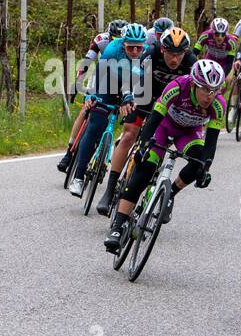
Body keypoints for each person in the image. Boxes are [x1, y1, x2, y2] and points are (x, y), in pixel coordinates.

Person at [104, 59, 226, 252]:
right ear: (194, 84)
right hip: (163, 126)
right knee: (144, 170)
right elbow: (154, 119)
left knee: (197, 163)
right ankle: (118, 227)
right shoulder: (177, 87)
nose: (209, 95)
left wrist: (205, 168)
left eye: (214, 90)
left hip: (189, 133)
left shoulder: (218, 105)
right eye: (204, 89)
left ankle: (170, 195)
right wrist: (143, 145)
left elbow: (211, 143)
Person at [96, 26, 193, 216]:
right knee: (128, 135)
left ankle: (151, 186)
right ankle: (109, 190)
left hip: (170, 103)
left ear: (185, 52)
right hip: (144, 94)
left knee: (158, 144)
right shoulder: (150, 52)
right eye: (171, 53)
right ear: (163, 49)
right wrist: (126, 96)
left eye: (179, 54)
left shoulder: (190, 62)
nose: (175, 59)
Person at [65, 24, 146, 195]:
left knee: (135, 121)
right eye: (130, 46)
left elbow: (139, 81)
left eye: (139, 47)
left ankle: (117, 144)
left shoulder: (146, 54)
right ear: (123, 43)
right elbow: (99, 74)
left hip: (131, 84)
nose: (134, 51)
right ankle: (78, 178)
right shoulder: (111, 49)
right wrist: (90, 96)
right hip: (107, 82)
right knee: (95, 126)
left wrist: (131, 98)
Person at [59, 19, 126, 173]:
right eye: (113, 39)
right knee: (85, 110)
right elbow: (87, 61)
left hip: (121, 80)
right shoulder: (101, 40)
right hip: (100, 76)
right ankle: (69, 152)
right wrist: (79, 81)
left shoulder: (130, 46)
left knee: (110, 115)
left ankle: (101, 148)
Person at [195, 17, 239, 91]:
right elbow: (195, 52)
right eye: (217, 34)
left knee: (226, 82)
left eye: (223, 34)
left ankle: (219, 96)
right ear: (212, 31)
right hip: (210, 58)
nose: (220, 37)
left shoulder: (231, 42)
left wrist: (222, 78)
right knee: (205, 80)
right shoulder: (205, 35)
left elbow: (229, 62)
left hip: (225, 62)